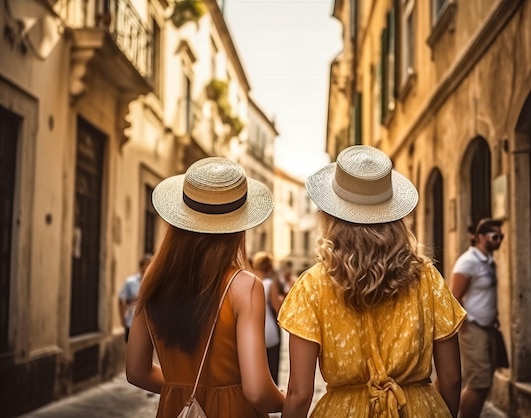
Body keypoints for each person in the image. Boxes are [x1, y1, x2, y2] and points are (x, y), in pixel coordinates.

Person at [277, 145, 466, 418]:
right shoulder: (427, 278)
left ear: (331, 215)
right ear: (394, 215)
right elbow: (451, 380)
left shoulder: (312, 285)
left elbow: (299, 394)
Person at [125, 157, 284, 417]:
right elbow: (257, 391)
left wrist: (185, 389)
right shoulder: (244, 286)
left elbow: (136, 372)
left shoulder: (154, 279)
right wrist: (288, 400)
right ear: (238, 227)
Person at [450, 218, 504, 418]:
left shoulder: (488, 260)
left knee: (484, 382)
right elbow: (454, 297)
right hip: (474, 329)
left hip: (488, 328)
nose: (499, 241)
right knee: (478, 384)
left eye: (501, 237)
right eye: (495, 236)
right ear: (480, 237)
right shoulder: (468, 261)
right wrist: (465, 330)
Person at [252, 251, 283, 384]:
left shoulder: (252, 282)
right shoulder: (270, 284)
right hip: (270, 330)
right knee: (272, 369)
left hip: (254, 330)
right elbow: (278, 308)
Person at [118, 253, 152, 342]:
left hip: (149, 326)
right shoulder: (130, 282)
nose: (148, 267)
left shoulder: (154, 284)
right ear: (141, 266)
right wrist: (122, 320)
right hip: (131, 323)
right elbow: (121, 300)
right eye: (146, 264)